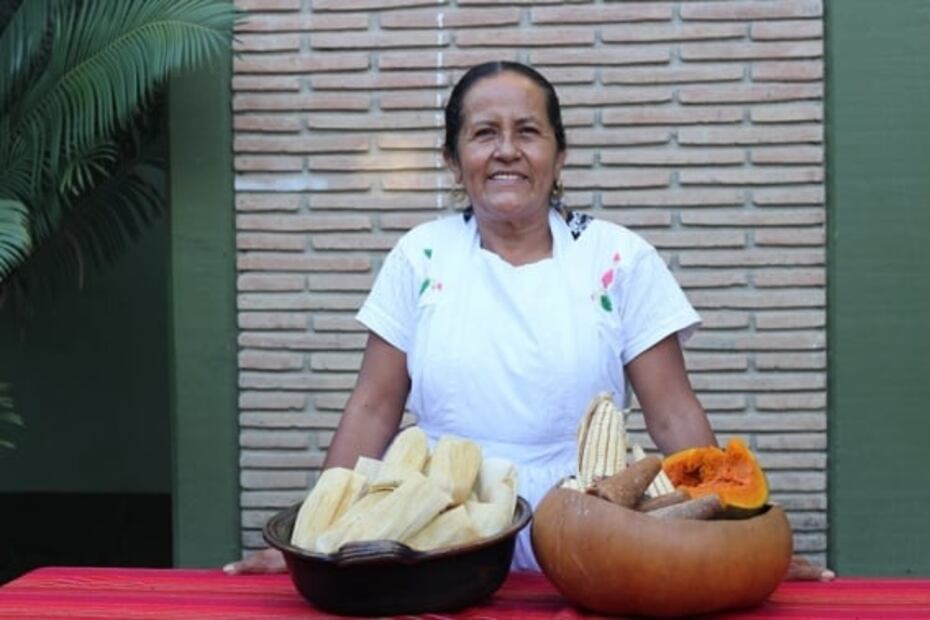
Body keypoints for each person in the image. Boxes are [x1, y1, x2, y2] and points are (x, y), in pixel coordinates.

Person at [225, 61, 833, 581]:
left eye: (528, 132)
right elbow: (372, 406)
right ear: (453, 158)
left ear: (559, 153)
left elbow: (672, 412)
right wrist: (317, 536)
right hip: (444, 531)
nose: (507, 150)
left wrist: (734, 533)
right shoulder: (421, 256)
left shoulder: (618, 258)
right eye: (484, 133)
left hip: (592, 529)